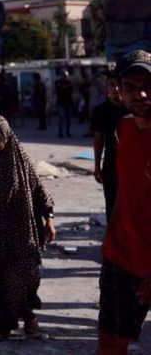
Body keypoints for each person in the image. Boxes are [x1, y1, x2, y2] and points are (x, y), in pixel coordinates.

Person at [0, 114, 55, 339]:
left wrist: (49, 218)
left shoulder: (19, 157)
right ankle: (3, 324)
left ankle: (27, 314)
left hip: (20, 229)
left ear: (6, 135)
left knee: (23, 276)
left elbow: (38, 189)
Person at [97, 50, 151, 355]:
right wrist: (112, 239)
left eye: (148, 85)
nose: (141, 94)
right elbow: (125, 192)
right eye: (131, 86)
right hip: (121, 257)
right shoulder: (123, 130)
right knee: (110, 344)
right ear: (119, 90)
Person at [92, 72, 127, 219]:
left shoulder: (132, 109)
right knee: (112, 204)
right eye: (112, 85)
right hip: (111, 163)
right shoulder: (100, 111)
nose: (116, 89)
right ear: (106, 88)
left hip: (132, 162)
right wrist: (97, 166)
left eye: (119, 85)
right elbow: (98, 140)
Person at [54, 70, 74, 138]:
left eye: (66, 75)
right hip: (61, 102)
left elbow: (70, 89)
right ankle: (61, 133)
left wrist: (63, 87)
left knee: (68, 119)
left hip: (68, 102)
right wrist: (65, 87)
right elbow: (58, 88)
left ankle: (68, 132)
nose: (65, 77)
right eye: (64, 75)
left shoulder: (69, 82)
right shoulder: (57, 82)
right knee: (61, 118)